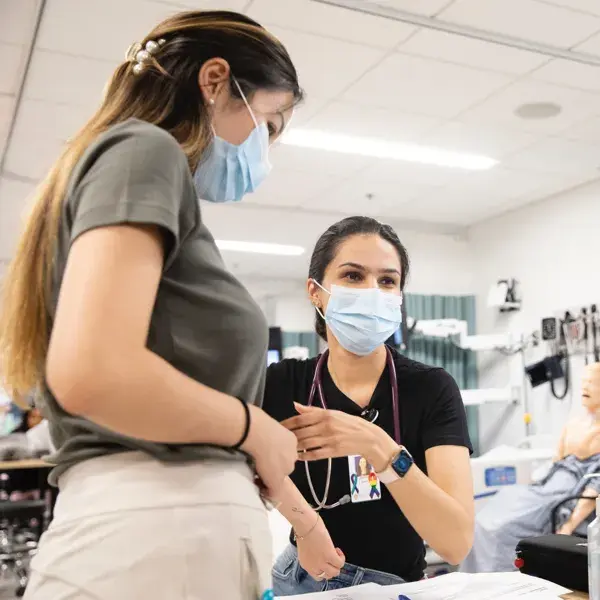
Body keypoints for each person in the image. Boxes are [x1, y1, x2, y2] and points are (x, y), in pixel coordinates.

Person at [0, 10, 302, 599]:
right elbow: (94, 373)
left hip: (158, 539)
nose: (264, 150)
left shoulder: (140, 171)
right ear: (215, 81)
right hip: (153, 541)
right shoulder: (145, 149)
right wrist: (255, 430)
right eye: (267, 123)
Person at [262, 216, 475, 595]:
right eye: (353, 276)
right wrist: (306, 526)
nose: (372, 291)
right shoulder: (283, 383)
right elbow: (248, 458)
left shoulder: (430, 388)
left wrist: (379, 447)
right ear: (315, 292)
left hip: (393, 585)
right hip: (300, 576)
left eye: (387, 281)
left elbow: (455, 542)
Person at [460, 362, 600, 573]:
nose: (585, 386)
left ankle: (498, 586)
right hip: (544, 487)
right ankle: (472, 583)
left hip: (562, 496)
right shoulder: (574, 424)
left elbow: (593, 488)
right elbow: (555, 461)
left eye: (592, 382)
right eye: (583, 381)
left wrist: (568, 526)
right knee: (482, 520)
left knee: (499, 529)